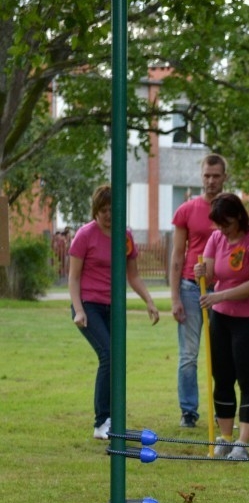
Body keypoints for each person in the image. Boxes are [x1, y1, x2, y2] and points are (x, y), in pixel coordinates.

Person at [68, 185, 159, 439]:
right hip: (88, 306)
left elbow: (134, 276)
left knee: (116, 359)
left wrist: (149, 301)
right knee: (108, 354)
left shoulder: (125, 236)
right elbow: (73, 278)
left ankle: (112, 418)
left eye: (112, 210)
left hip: (114, 307)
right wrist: (78, 310)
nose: (108, 215)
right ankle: (101, 422)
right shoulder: (85, 235)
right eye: (103, 210)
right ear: (95, 211)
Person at [195, 192, 249, 460]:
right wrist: (202, 274)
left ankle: (242, 443)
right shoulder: (217, 238)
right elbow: (212, 271)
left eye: (226, 224)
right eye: (219, 225)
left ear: (239, 217)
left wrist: (219, 295)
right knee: (222, 377)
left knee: (247, 379)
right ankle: (226, 437)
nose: (223, 230)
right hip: (221, 317)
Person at [170, 153, 228, 428]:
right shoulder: (187, 210)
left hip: (223, 290)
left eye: (216, 176)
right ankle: (189, 411)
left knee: (221, 355)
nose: (211, 181)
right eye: (207, 175)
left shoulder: (232, 209)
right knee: (189, 355)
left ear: (224, 178)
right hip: (191, 289)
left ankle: (223, 412)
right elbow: (177, 256)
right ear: (201, 176)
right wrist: (174, 298)